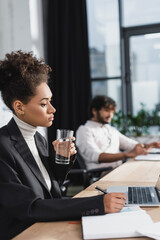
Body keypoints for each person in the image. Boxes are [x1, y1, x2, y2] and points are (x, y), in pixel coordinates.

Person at [0, 51, 126, 239]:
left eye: (50, 101)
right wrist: (98, 204)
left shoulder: (38, 138)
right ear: (19, 107)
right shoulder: (3, 146)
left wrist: (62, 160)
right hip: (25, 232)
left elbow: (49, 187)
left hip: (49, 224)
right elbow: (30, 207)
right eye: (44, 104)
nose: (52, 109)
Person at [76, 95, 160, 171]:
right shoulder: (84, 130)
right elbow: (97, 156)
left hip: (118, 170)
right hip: (102, 174)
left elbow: (131, 145)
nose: (110, 115)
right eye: (107, 110)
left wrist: (149, 146)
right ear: (94, 111)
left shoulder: (111, 129)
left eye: (112, 112)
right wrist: (127, 155)